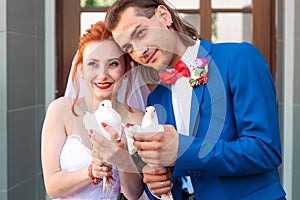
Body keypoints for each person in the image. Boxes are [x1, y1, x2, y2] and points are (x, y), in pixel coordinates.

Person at [104, 0, 287, 199]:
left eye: (140, 33)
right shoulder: (155, 100)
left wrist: (181, 150)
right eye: (129, 47)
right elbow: (172, 180)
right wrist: (157, 181)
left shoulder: (238, 58)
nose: (140, 52)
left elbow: (264, 149)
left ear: (164, 16)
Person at [41, 21, 145, 200]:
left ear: (126, 69)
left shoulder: (138, 119)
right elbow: (52, 187)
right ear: (81, 69)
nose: (102, 75)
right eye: (93, 64)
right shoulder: (61, 111)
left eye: (113, 64)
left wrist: (122, 158)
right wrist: (91, 171)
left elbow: (134, 194)